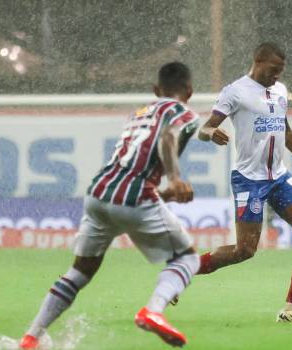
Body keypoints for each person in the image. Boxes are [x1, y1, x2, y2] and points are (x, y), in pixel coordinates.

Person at [19, 62, 200, 348]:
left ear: (156, 90)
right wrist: (175, 178)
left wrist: (164, 194)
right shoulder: (184, 113)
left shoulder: (138, 114)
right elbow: (167, 137)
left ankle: (30, 338)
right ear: (189, 90)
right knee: (187, 259)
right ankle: (153, 311)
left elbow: (132, 164)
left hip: (98, 194)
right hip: (134, 197)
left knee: (79, 272)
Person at [197, 42, 292, 324]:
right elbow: (204, 128)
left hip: (278, 176)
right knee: (245, 251)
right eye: (273, 70)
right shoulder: (235, 92)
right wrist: (211, 132)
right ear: (258, 61)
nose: (277, 76)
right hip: (248, 179)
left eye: (281, 72)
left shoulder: (279, 91)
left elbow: (284, 129)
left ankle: (291, 308)